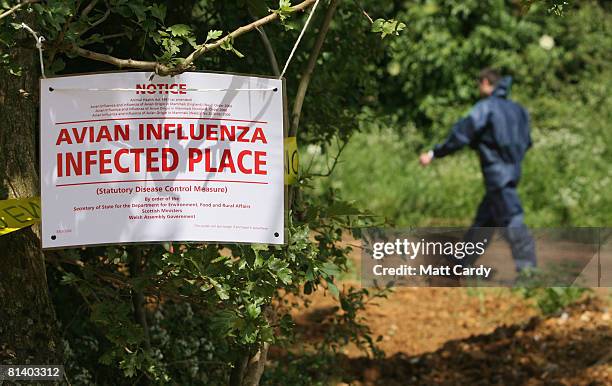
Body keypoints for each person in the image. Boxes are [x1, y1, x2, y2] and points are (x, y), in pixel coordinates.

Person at [419, 68, 537, 273]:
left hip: (497, 175)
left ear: (485, 82)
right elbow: (527, 142)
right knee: (485, 220)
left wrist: (434, 153)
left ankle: (528, 270)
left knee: (511, 218)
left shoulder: (486, 108)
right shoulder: (519, 110)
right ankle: (461, 263)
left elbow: (461, 134)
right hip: (513, 172)